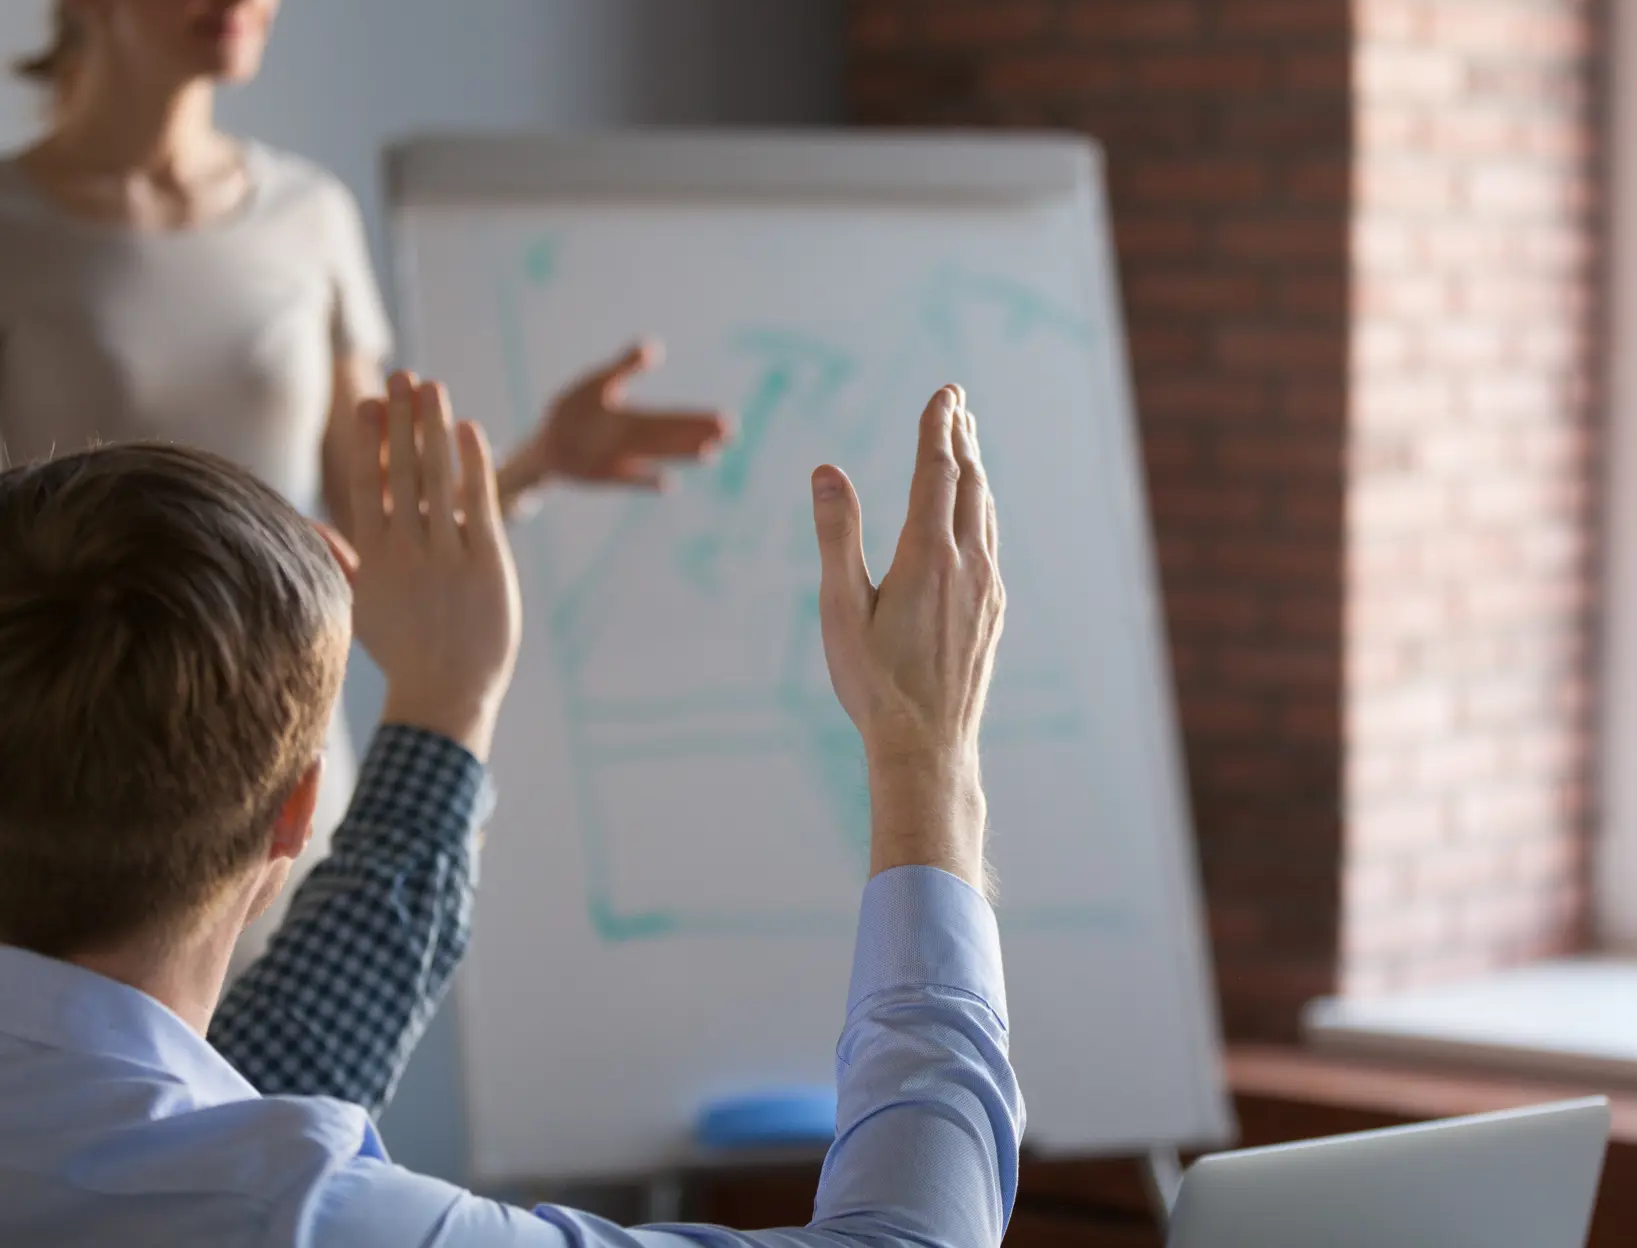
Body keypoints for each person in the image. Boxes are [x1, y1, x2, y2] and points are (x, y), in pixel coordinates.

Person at [0, 377, 1021, 1247]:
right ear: (297, 813)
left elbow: (229, 1090)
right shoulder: (291, 1213)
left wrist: (444, 713)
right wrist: (923, 754)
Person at [0, 0, 729, 982]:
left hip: (282, 768)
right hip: (64, 788)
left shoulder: (309, 218)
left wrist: (540, 457)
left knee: (284, 1113)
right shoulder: (11, 230)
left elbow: (362, 502)